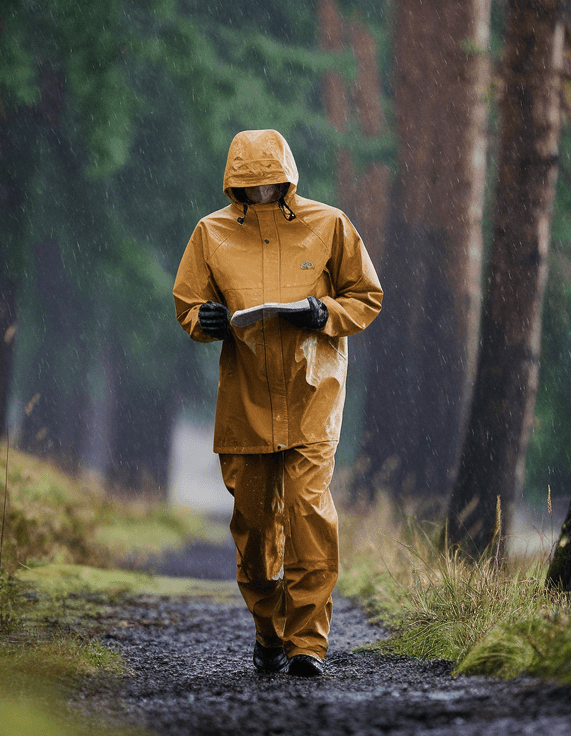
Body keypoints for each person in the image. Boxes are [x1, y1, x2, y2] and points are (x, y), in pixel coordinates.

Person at [172, 129, 382, 677]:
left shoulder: (330, 224)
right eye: (250, 182)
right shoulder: (211, 232)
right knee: (254, 530)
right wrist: (205, 320)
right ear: (234, 182)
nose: (261, 189)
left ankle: (307, 643)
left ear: (287, 177)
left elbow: (366, 296)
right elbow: (189, 303)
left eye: (269, 180)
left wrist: (323, 313)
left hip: (313, 394)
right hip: (245, 400)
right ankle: (269, 629)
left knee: (308, 514)